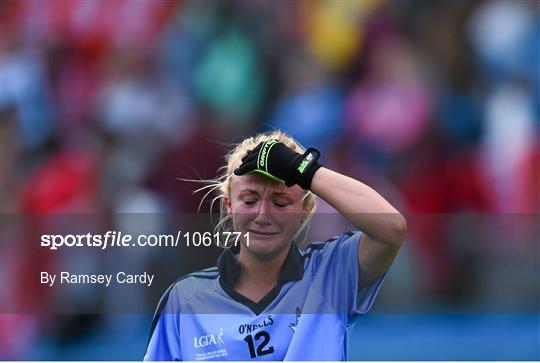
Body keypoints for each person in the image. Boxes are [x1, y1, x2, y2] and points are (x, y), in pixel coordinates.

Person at [144, 130, 406, 361]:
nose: (263, 215)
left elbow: (391, 229)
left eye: (280, 203)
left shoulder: (330, 273)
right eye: (249, 200)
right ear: (229, 205)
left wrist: (305, 170)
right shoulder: (184, 300)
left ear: (306, 210)